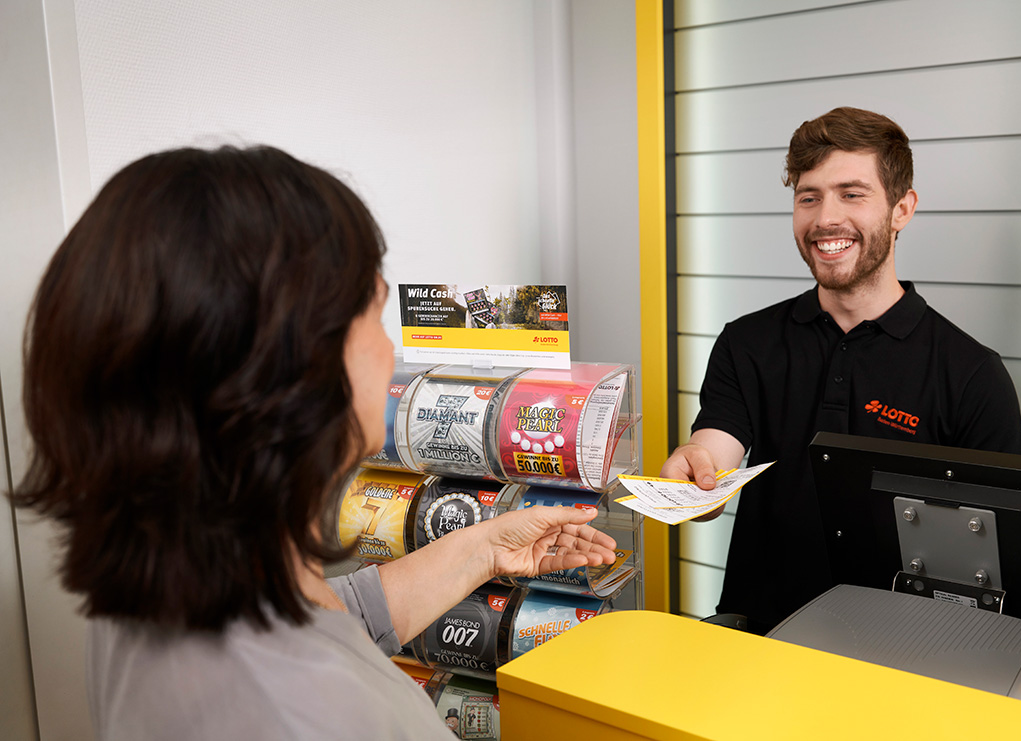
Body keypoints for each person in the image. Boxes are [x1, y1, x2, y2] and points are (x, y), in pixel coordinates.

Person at [11, 145, 617, 739]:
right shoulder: (313, 715)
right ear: (291, 369)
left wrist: (484, 548)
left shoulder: (150, 594)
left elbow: (334, 617)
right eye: (375, 314)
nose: (393, 357)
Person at [661, 107, 1021, 635]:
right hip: (761, 641)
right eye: (808, 197)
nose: (825, 218)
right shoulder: (748, 342)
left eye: (852, 194)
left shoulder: (972, 374)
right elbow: (715, 444)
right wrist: (693, 468)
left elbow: (999, 559)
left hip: (906, 661)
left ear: (902, 209)